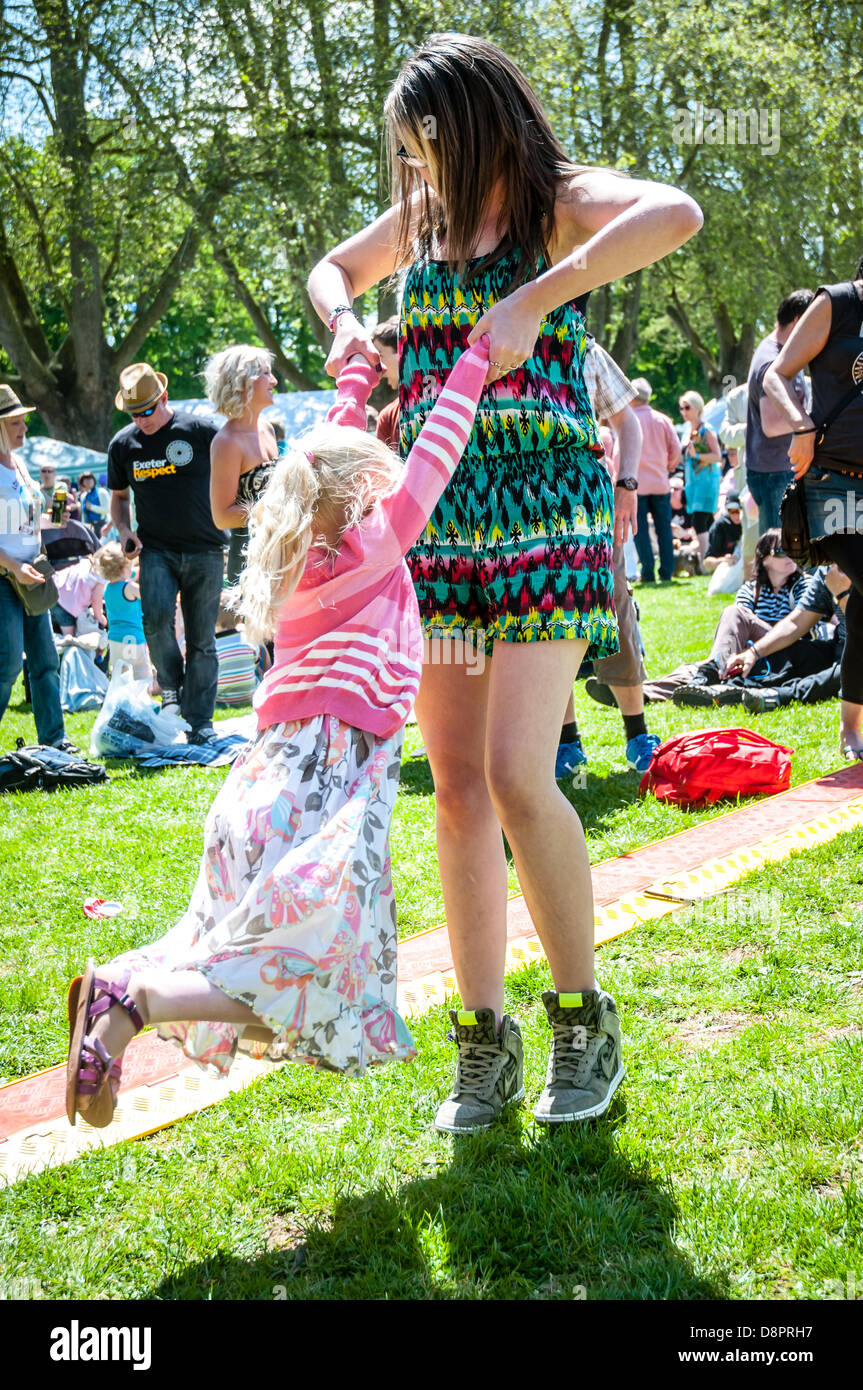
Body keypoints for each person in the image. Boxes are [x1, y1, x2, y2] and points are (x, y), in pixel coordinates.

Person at [308, 32, 702, 1132]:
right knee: (460, 790)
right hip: (433, 521)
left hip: (546, 508)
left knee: (521, 774)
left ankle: (581, 1017)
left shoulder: (553, 201)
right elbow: (331, 272)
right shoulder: (421, 220)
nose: (413, 170)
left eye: (422, 146)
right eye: (403, 154)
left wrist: (546, 293)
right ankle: (480, 1045)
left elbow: (677, 213)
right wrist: (350, 328)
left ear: (469, 123)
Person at [65, 337, 491, 1129]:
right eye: (376, 477)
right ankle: (137, 994)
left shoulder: (296, 550)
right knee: (307, 969)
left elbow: (327, 453)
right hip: (327, 779)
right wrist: (478, 358)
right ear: (365, 491)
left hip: (266, 777)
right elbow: (440, 447)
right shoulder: (371, 544)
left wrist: (356, 378)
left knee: (298, 993)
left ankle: (118, 1002)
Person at [763, 262, 863, 758]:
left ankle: (850, 727)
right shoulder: (838, 303)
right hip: (833, 484)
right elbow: (775, 376)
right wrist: (801, 427)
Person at [559, 340, 662, 776]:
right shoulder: (491, 333)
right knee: (545, 624)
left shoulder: (582, 345)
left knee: (616, 607)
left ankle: (636, 734)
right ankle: (567, 745)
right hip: (519, 511)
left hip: (590, 506)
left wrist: (628, 484)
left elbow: (628, 422)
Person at [107, 362, 225, 744]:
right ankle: (171, 691)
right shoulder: (123, 445)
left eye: (147, 411)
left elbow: (236, 470)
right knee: (156, 622)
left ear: (164, 398)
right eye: (133, 414)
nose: (141, 420)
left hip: (207, 548)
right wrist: (125, 530)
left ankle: (199, 719)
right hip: (155, 550)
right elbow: (120, 499)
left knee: (202, 638)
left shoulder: (203, 431)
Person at [640, 530, 810, 704]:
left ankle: (713, 670)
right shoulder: (751, 589)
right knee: (692, 670)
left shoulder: (804, 585)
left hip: (783, 651)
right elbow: (736, 631)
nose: (791, 555)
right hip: (748, 655)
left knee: (734, 613)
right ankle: (642, 693)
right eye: (782, 550)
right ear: (765, 559)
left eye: (795, 549)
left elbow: (797, 627)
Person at [0, 386, 78, 752]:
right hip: (6, 577)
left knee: (46, 660)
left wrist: (51, 518)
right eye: (16, 423)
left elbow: (22, 522)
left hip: (32, 572)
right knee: (8, 664)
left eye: (23, 421)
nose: (24, 429)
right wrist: (14, 566)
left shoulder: (19, 465)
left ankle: (55, 740)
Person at [207, 346, 280, 586]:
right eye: (266, 374)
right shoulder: (227, 442)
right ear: (242, 382)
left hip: (281, 552)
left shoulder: (267, 428)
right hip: (252, 562)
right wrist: (278, 509)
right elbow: (222, 517)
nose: (274, 381)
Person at [746, 289, 814, 533]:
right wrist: (813, 419)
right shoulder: (771, 359)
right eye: (814, 320)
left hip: (779, 470)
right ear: (798, 319)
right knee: (778, 556)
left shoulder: (785, 352)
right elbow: (772, 425)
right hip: (775, 473)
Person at [629, 376, 681, 583]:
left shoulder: (629, 420)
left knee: (640, 530)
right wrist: (669, 465)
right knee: (664, 529)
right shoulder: (663, 419)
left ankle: (648, 571)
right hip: (660, 483)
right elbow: (676, 448)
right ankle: (667, 570)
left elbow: (618, 452)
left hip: (636, 485)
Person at [92, 542, 151, 682]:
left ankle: (121, 702)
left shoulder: (107, 589)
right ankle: (142, 702)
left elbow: (132, 574)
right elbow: (148, 596)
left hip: (115, 640)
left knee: (122, 678)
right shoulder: (130, 588)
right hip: (132, 639)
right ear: (124, 568)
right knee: (142, 675)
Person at [680, 391, 721, 559]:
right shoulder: (687, 430)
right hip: (693, 482)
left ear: (697, 408)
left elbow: (717, 456)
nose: (683, 411)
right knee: (707, 520)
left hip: (706, 480)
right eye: (681, 408)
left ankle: (706, 560)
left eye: (687, 407)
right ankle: (715, 556)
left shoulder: (707, 429)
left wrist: (696, 455)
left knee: (699, 520)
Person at [50, 553, 106, 636]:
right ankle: (69, 642)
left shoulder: (85, 562)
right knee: (70, 635)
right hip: (65, 600)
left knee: (65, 626)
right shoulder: (100, 579)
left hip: (54, 588)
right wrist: (100, 617)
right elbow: (96, 601)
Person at [214, 602, 257, 707]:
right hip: (249, 695)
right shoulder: (247, 639)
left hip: (220, 698)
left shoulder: (213, 645)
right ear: (238, 618)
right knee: (258, 654)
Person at [372, 316, 401, 449]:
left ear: (402, 351)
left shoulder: (447, 402)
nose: (378, 368)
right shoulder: (387, 417)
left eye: (380, 356)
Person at [77, 471, 112, 536]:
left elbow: (108, 509)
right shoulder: (83, 496)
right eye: (86, 479)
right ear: (82, 483)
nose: (89, 481)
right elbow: (83, 515)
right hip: (89, 527)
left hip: (102, 526)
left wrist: (92, 507)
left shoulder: (101, 492)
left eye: (90, 478)